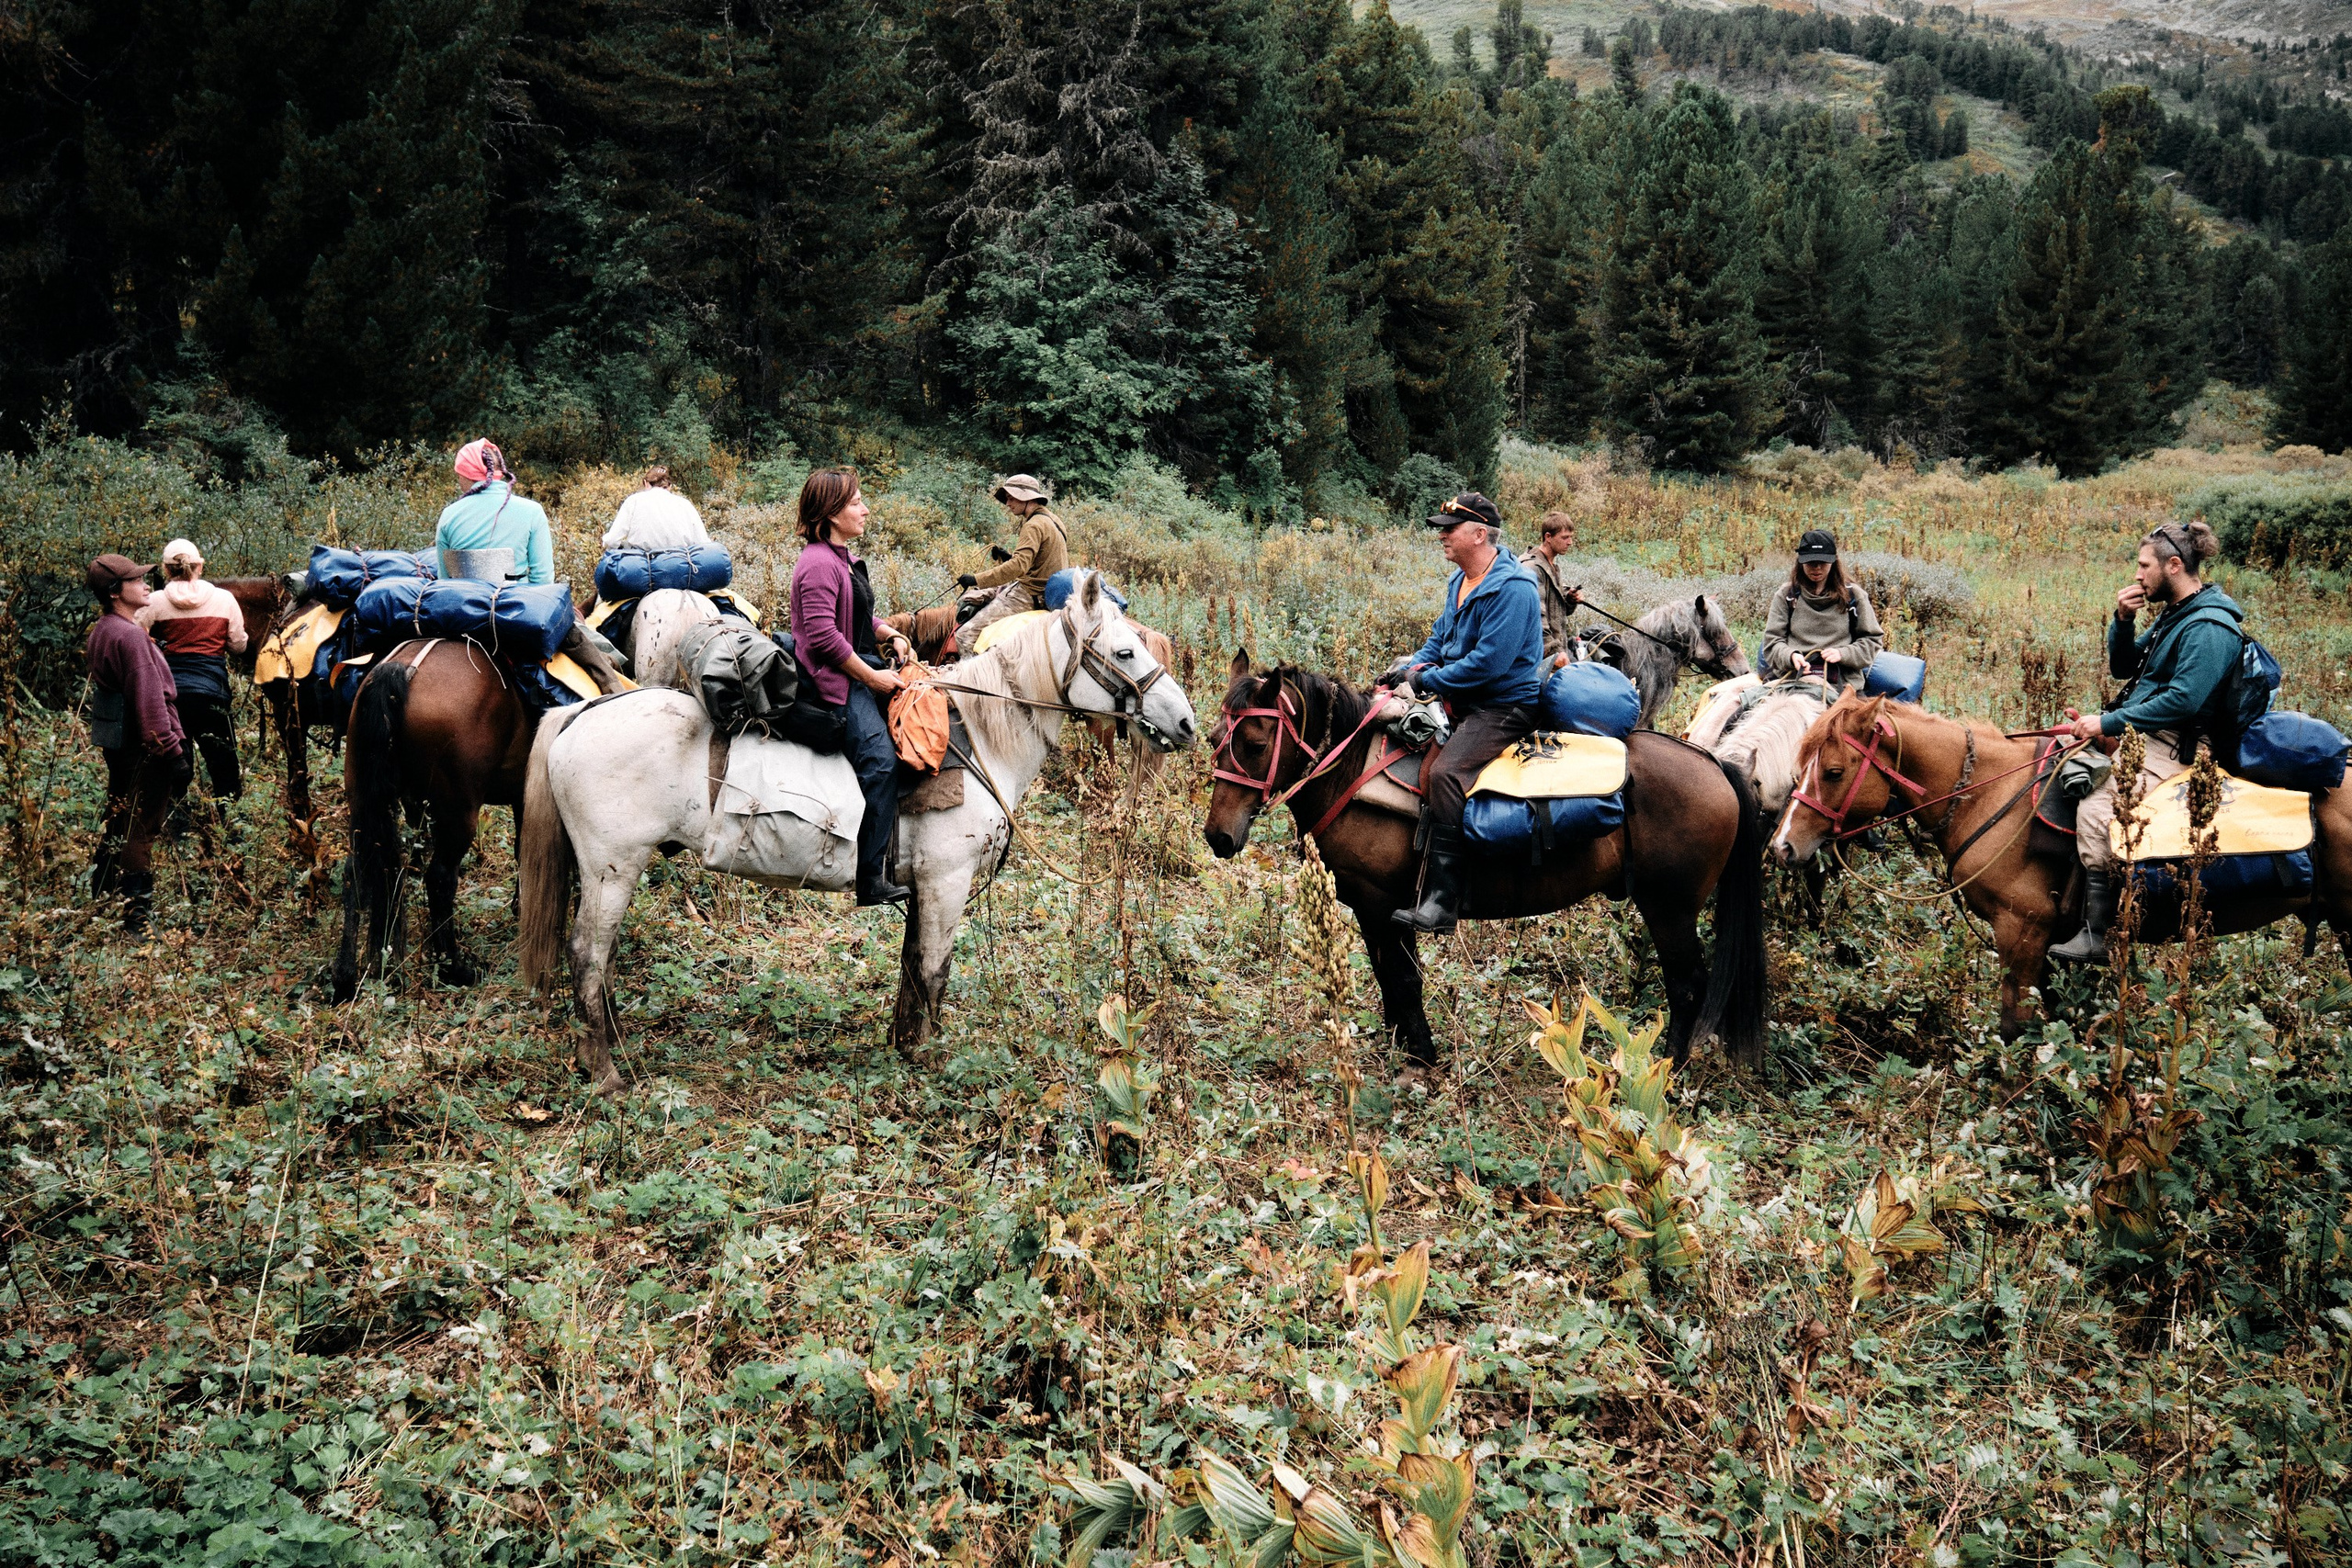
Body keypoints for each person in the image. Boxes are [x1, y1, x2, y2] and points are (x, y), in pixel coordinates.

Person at [2049, 519, 2242, 963]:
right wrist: (2123, 620)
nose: (2137, 575)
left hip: (2176, 745)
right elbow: (2125, 669)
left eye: (2143, 566)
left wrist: (2108, 723)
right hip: (2145, 732)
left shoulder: (2210, 624)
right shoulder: (2177, 613)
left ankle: (2100, 934)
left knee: (2099, 807)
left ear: (2173, 565)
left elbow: (2184, 701)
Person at [1381, 493, 1545, 934]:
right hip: (1463, 698)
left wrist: (1426, 682)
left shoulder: (1513, 589)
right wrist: (1408, 667)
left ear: (1479, 534)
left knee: (1446, 774)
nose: (1441, 536)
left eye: (1449, 529)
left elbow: (1488, 665)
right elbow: (1439, 642)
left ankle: (1443, 900)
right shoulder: (1461, 581)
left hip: (1503, 705)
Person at [789, 468, 918, 907]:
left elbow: (857, 617)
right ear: (830, 513)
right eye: (856, 503)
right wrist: (872, 678)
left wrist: (888, 633)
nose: (865, 509)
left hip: (855, 666)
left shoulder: (840, 557)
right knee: (881, 761)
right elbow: (825, 638)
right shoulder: (818, 564)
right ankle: (869, 876)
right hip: (832, 684)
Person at [84, 554, 191, 931]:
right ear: (116, 592)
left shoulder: (105, 629)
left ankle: (99, 891)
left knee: (118, 816)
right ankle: (136, 919)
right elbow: (150, 702)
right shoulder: (131, 637)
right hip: (146, 747)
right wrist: (173, 753)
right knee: (140, 829)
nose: (147, 585)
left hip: (120, 744)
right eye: (136, 581)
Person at [135, 538, 247, 812]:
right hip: (212, 693)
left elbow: (137, 639)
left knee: (176, 762)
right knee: (223, 764)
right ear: (199, 566)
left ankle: (177, 823)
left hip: (171, 696)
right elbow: (238, 645)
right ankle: (229, 825)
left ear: (165, 569)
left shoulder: (154, 602)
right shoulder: (224, 599)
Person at [955, 474, 1069, 648]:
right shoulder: (1054, 520)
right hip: (1050, 591)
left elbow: (1018, 567)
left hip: (1031, 594)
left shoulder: (1033, 525)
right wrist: (1008, 557)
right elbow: (1043, 557)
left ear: (1026, 497)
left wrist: (976, 579)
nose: (1008, 504)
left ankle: (979, 675)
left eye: (1011, 498)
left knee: (965, 635)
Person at [1759, 529, 1883, 688]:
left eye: (1823, 562)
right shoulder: (1787, 595)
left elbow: (1872, 640)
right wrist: (1791, 656)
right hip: (1792, 678)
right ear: (1801, 562)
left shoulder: (1854, 596)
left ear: (1833, 561)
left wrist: (1843, 653)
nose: (1817, 568)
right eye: (1811, 562)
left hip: (1842, 682)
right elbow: (1772, 642)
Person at [434, 438, 554, 585]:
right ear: (500, 472)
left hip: (465, 606)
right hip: (518, 606)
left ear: (466, 475)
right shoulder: (533, 512)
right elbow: (543, 579)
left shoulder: (448, 515)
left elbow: (445, 580)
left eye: (459, 475)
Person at [1518, 510, 1586, 667]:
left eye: (1571, 537)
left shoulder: (1551, 566)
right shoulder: (1532, 568)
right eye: (1564, 537)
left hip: (1557, 652)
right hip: (1539, 658)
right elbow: (1535, 616)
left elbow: (1556, 611)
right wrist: (1554, 652)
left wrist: (1569, 599)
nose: (1570, 542)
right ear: (1548, 537)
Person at [602, 465, 713, 552]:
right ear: (670, 486)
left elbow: (612, 540)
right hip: (679, 568)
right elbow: (703, 543)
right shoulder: (685, 504)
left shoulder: (633, 501)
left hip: (642, 568)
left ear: (645, 483)